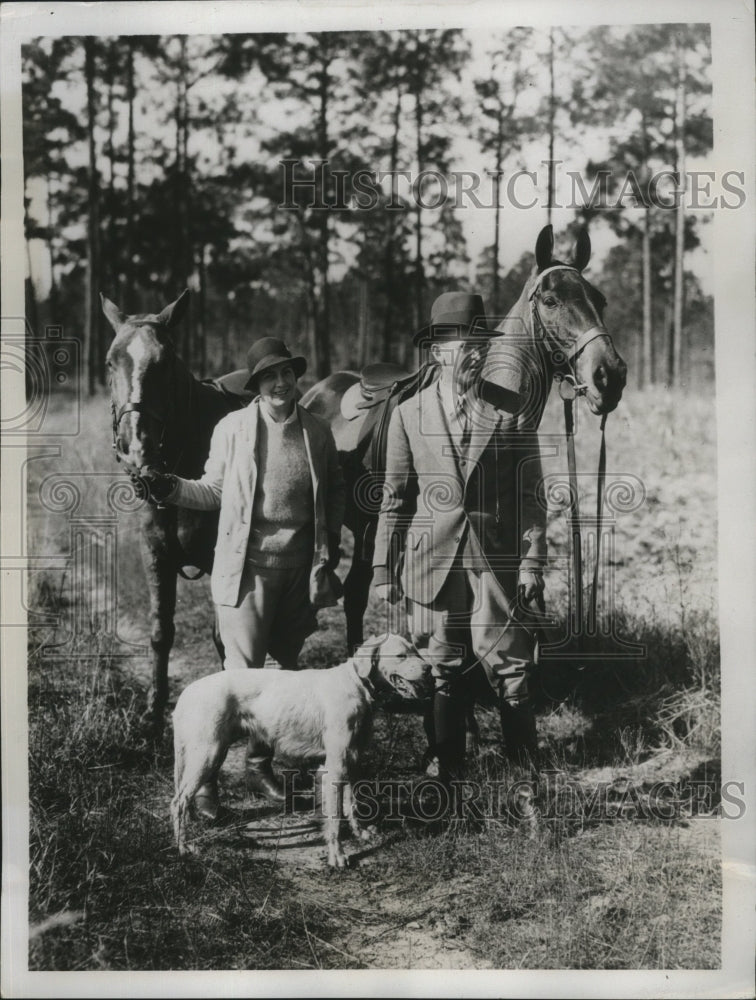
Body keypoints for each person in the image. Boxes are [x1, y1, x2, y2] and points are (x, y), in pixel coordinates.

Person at [141, 337, 345, 810]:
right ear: (256, 385)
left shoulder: (316, 430)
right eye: (269, 377)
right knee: (241, 681)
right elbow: (210, 490)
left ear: (297, 379)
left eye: (287, 375)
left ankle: (258, 769)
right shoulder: (232, 428)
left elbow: (333, 489)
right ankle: (206, 783)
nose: (280, 384)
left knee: (284, 681)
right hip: (247, 572)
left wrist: (327, 547)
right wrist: (169, 487)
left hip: (299, 574)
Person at [372, 291, 546, 789]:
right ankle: (447, 784)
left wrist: (533, 560)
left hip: (495, 564)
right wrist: (384, 570)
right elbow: (395, 499)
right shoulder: (408, 413)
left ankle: (525, 789)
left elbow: (532, 495)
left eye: (477, 341)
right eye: (457, 341)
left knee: (513, 672)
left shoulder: (510, 409)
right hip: (432, 564)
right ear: (436, 351)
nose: (470, 350)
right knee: (442, 670)